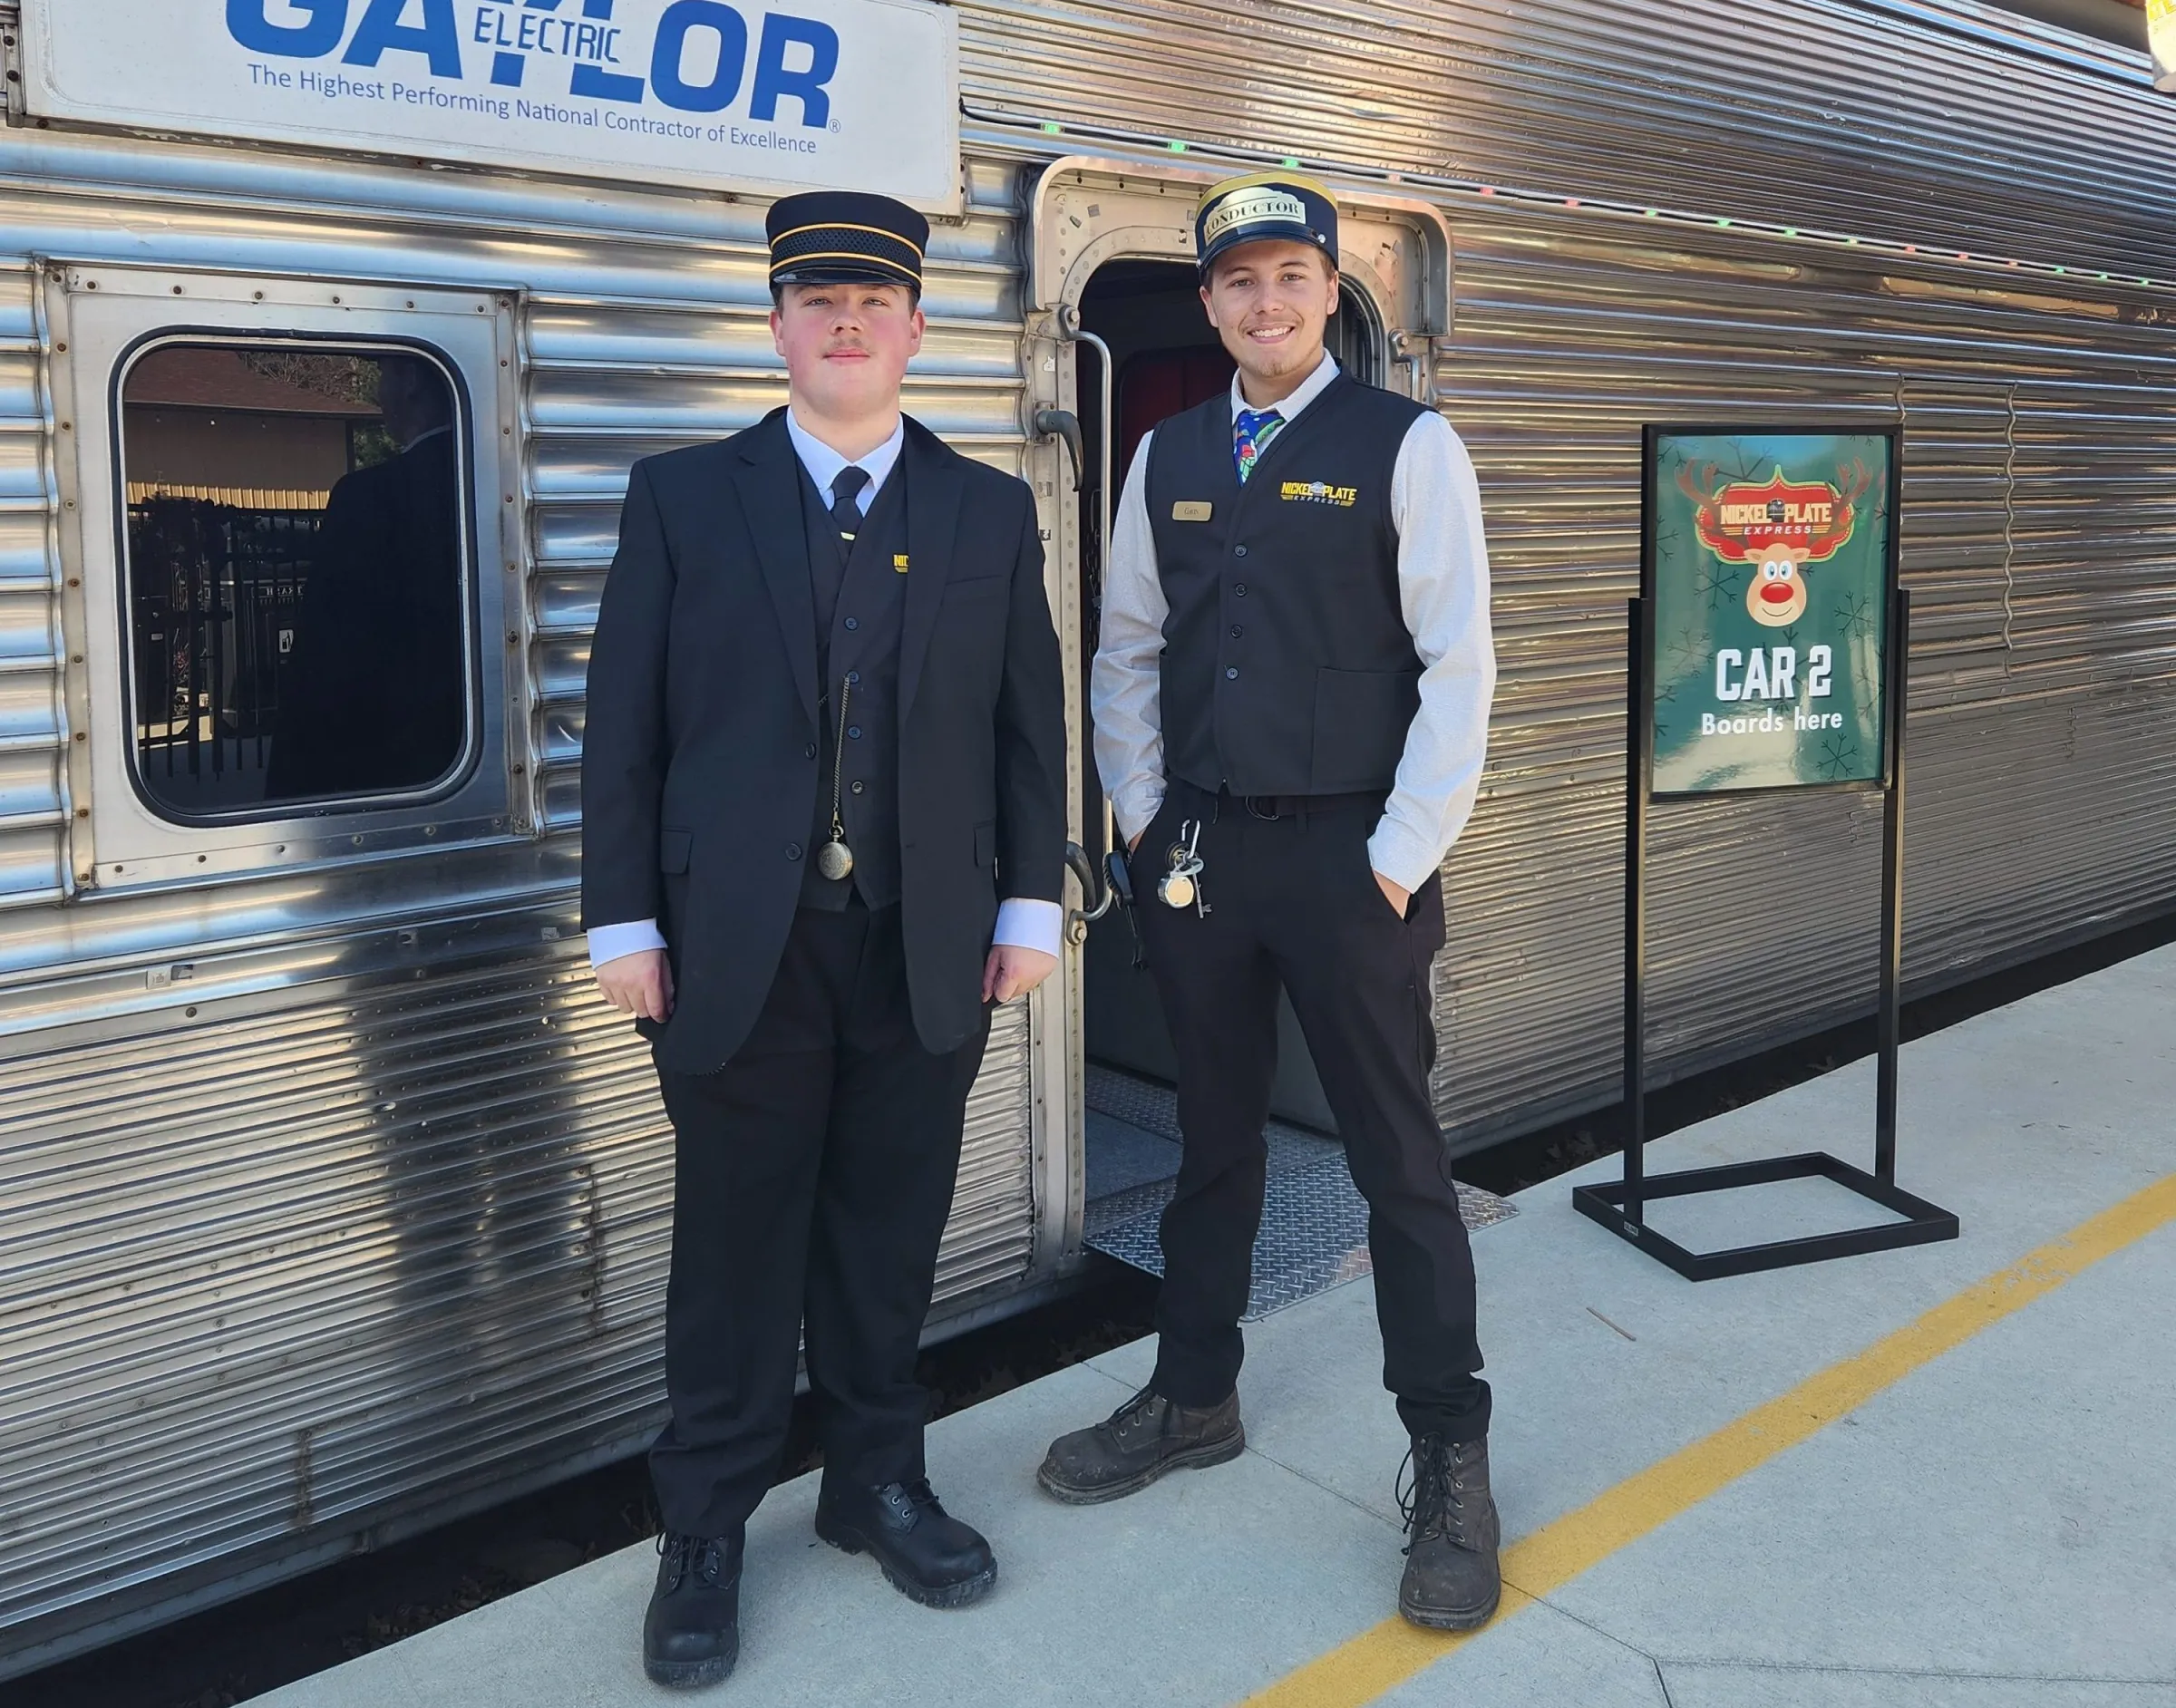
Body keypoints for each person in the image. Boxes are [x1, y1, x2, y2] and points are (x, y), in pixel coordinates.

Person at [581, 190, 1067, 1689]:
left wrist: (1032, 900)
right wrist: (622, 914)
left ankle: (874, 1479)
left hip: (925, 940)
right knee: (734, 1242)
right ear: (778, 323)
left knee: (885, 1229)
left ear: (916, 327)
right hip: (732, 944)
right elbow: (625, 729)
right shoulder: (681, 494)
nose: (846, 319)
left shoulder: (989, 509)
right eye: (817, 296)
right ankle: (707, 1523)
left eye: (874, 297)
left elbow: (1026, 723)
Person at [1041, 172, 1502, 1631]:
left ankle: (1447, 1454)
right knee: (1212, 1144)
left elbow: (1461, 668)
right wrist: (1137, 815)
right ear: (1209, 303)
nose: (1266, 302)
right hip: (1199, 861)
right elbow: (1126, 647)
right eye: (1238, 282)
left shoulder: (1408, 445)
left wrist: (1398, 855)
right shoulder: (1167, 450)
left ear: (1331, 290)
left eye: (1292, 276)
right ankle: (1194, 1396)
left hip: (1350, 860)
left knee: (1399, 1167)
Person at [266, 354, 465, 801]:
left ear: (409, 379)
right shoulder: (492, 482)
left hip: (385, 757)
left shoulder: (368, 496)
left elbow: (329, 650)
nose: (378, 397)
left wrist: (292, 779)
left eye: (383, 375)